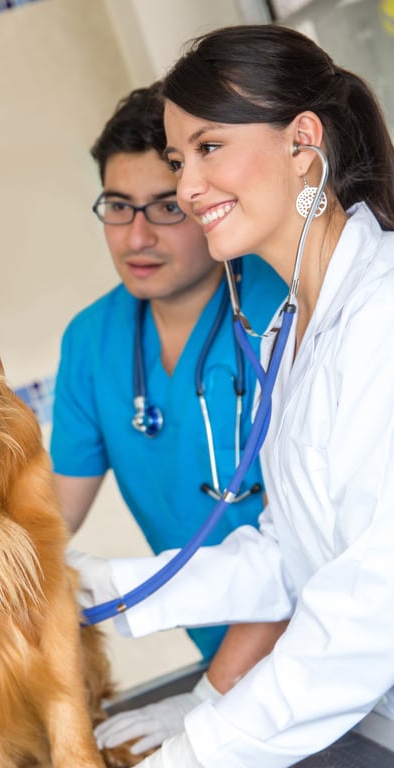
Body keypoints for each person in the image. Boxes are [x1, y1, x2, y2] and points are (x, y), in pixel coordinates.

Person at [74, 23, 394, 768]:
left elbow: (370, 602)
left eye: (209, 147)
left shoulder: (384, 318)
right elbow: (290, 555)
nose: (187, 187)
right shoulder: (293, 328)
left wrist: (192, 758)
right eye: (180, 159)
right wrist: (110, 590)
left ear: (301, 143)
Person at [50, 83, 288, 688]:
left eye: (166, 207)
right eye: (118, 206)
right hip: (228, 665)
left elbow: (302, 549)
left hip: (328, 648)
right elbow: (47, 519)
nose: (136, 237)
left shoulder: (282, 306)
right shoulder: (91, 342)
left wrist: (209, 705)